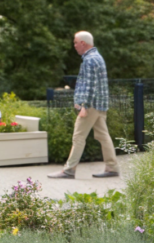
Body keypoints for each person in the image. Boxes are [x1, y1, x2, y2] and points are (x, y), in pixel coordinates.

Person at [49, 31, 119, 179]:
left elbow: (89, 85)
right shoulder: (97, 57)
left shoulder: (90, 60)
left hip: (91, 105)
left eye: (75, 42)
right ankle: (112, 168)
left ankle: (68, 170)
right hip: (100, 104)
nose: (74, 46)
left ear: (83, 43)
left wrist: (84, 106)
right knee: (103, 136)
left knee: (78, 137)